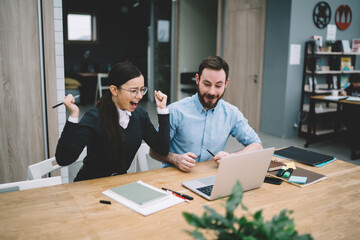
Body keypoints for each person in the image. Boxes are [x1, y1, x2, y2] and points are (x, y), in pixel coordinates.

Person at [55, 62, 170, 181]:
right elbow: (64, 159)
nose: (140, 96)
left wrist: (162, 111)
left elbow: (162, 149)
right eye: (134, 90)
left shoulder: (140, 116)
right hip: (90, 184)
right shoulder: (93, 118)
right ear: (114, 90)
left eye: (142, 90)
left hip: (118, 184)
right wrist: (74, 115)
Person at [150, 56, 262, 172]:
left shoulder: (231, 113)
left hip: (209, 178)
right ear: (197, 79)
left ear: (226, 83)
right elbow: (154, 151)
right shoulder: (175, 111)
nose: (212, 92)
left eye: (218, 86)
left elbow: (257, 145)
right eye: (207, 84)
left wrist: (232, 157)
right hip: (173, 177)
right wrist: (176, 159)